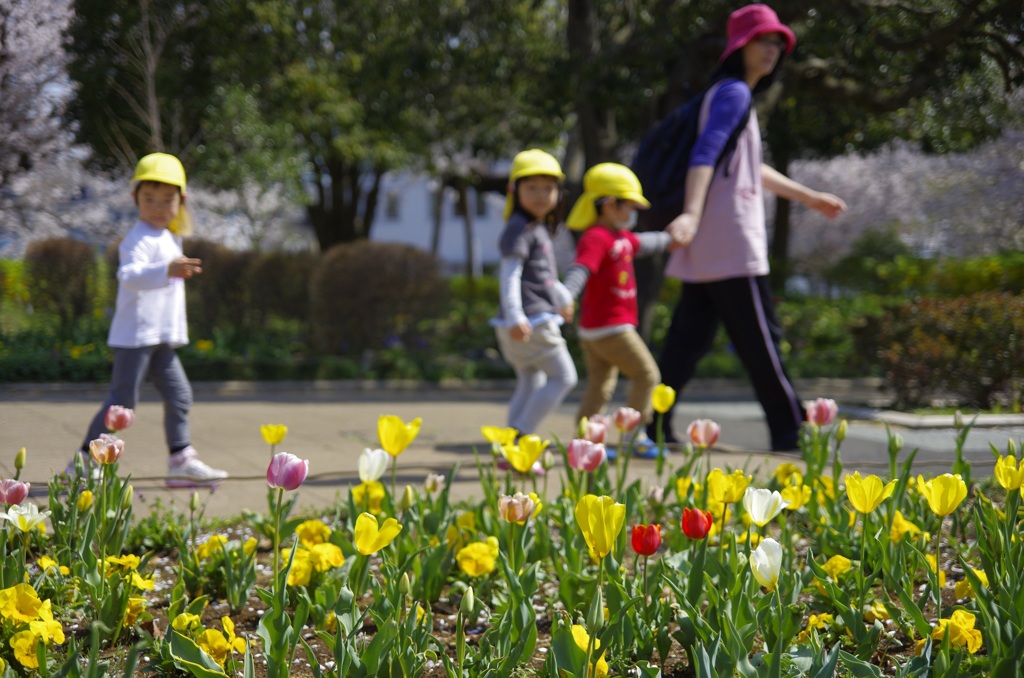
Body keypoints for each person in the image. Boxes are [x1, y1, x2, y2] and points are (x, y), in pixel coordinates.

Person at [650, 4, 847, 451]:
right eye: (763, 40)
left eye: (778, 42)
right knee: (762, 340)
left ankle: (652, 425)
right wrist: (694, 214)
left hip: (710, 244)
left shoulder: (726, 95)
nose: (773, 49)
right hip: (730, 239)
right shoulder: (734, 94)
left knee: (687, 340)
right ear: (739, 46)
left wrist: (808, 197)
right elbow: (705, 154)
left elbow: (748, 167)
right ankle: (791, 432)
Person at [70, 152, 229, 486]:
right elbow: (128, 276)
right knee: (121, 403)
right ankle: (85, 462)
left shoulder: (171, 238)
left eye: (167, 200)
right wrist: (167, 270)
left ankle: (180, 460)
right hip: (136, 337)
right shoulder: (138, 238)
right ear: (135, 199)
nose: (158, 207)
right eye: (149, 199)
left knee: (180, 396)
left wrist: (172, 272)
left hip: (160, 338)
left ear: (181, 201)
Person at [563, 163, 678, 458]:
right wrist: (566, 295)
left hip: (595, 330)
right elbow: (581, 269)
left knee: (600, 386)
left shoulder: (621, 238)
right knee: (647, 375)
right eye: (629, 206)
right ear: (610, 204)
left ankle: (584, 442)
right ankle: (633, 436)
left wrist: (671, 239)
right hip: (610, 328)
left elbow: (647, 243)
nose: (633, 213)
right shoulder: (597, 237)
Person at [491, 149, 578, 438]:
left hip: (522, 322)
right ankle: (520, 434)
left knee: (530, 381)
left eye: (548, 188)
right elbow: (509, 276)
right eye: (532, 188)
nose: (541, 195)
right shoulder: (519, 230)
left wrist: (564, 298)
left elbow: (545, 278)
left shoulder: (533, 227)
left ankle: (509, 446)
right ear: (514, 191)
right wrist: (515, 315)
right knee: (565, 377)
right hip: (531, 322)